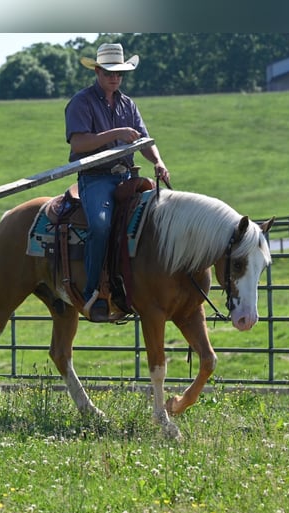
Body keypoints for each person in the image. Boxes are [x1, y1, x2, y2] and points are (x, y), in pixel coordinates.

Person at [65, 43, 170, 322]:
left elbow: (145, 140)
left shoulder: (128, 104)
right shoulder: (81, 102)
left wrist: (158, 161)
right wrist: (117, 133)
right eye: (110, 72)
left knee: (157, 218)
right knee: (100, 224)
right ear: (97, 71)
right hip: (96, 178)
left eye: (119, 74)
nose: (115, 78)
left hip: (126, 177)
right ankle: (92, 292)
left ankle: (140, 287)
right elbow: (79, 142)